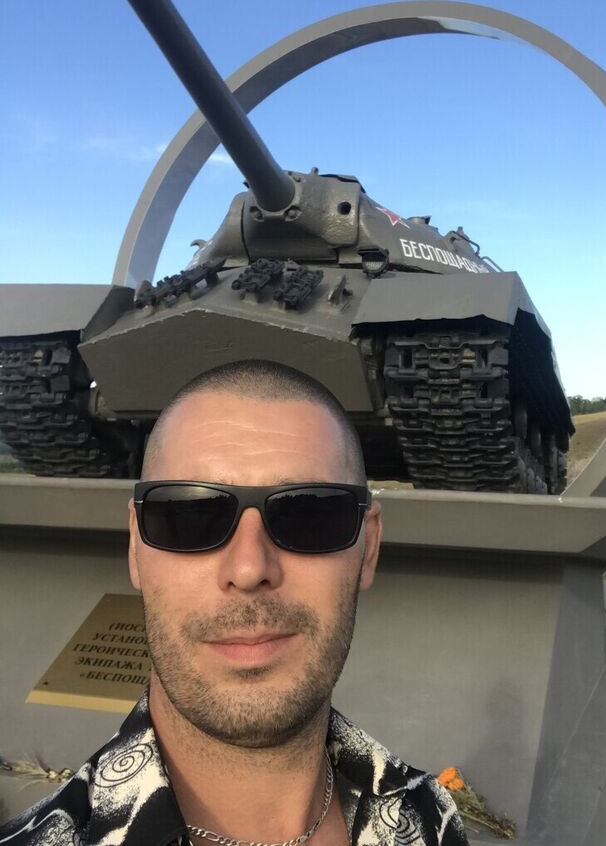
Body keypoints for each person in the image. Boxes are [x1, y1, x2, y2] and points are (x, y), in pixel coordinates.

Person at [1, 360, 469, 846]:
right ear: (136, 547)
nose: (248, 569)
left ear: (368, 548)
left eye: (309, 515)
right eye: (189, 515)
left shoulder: (431, 818)